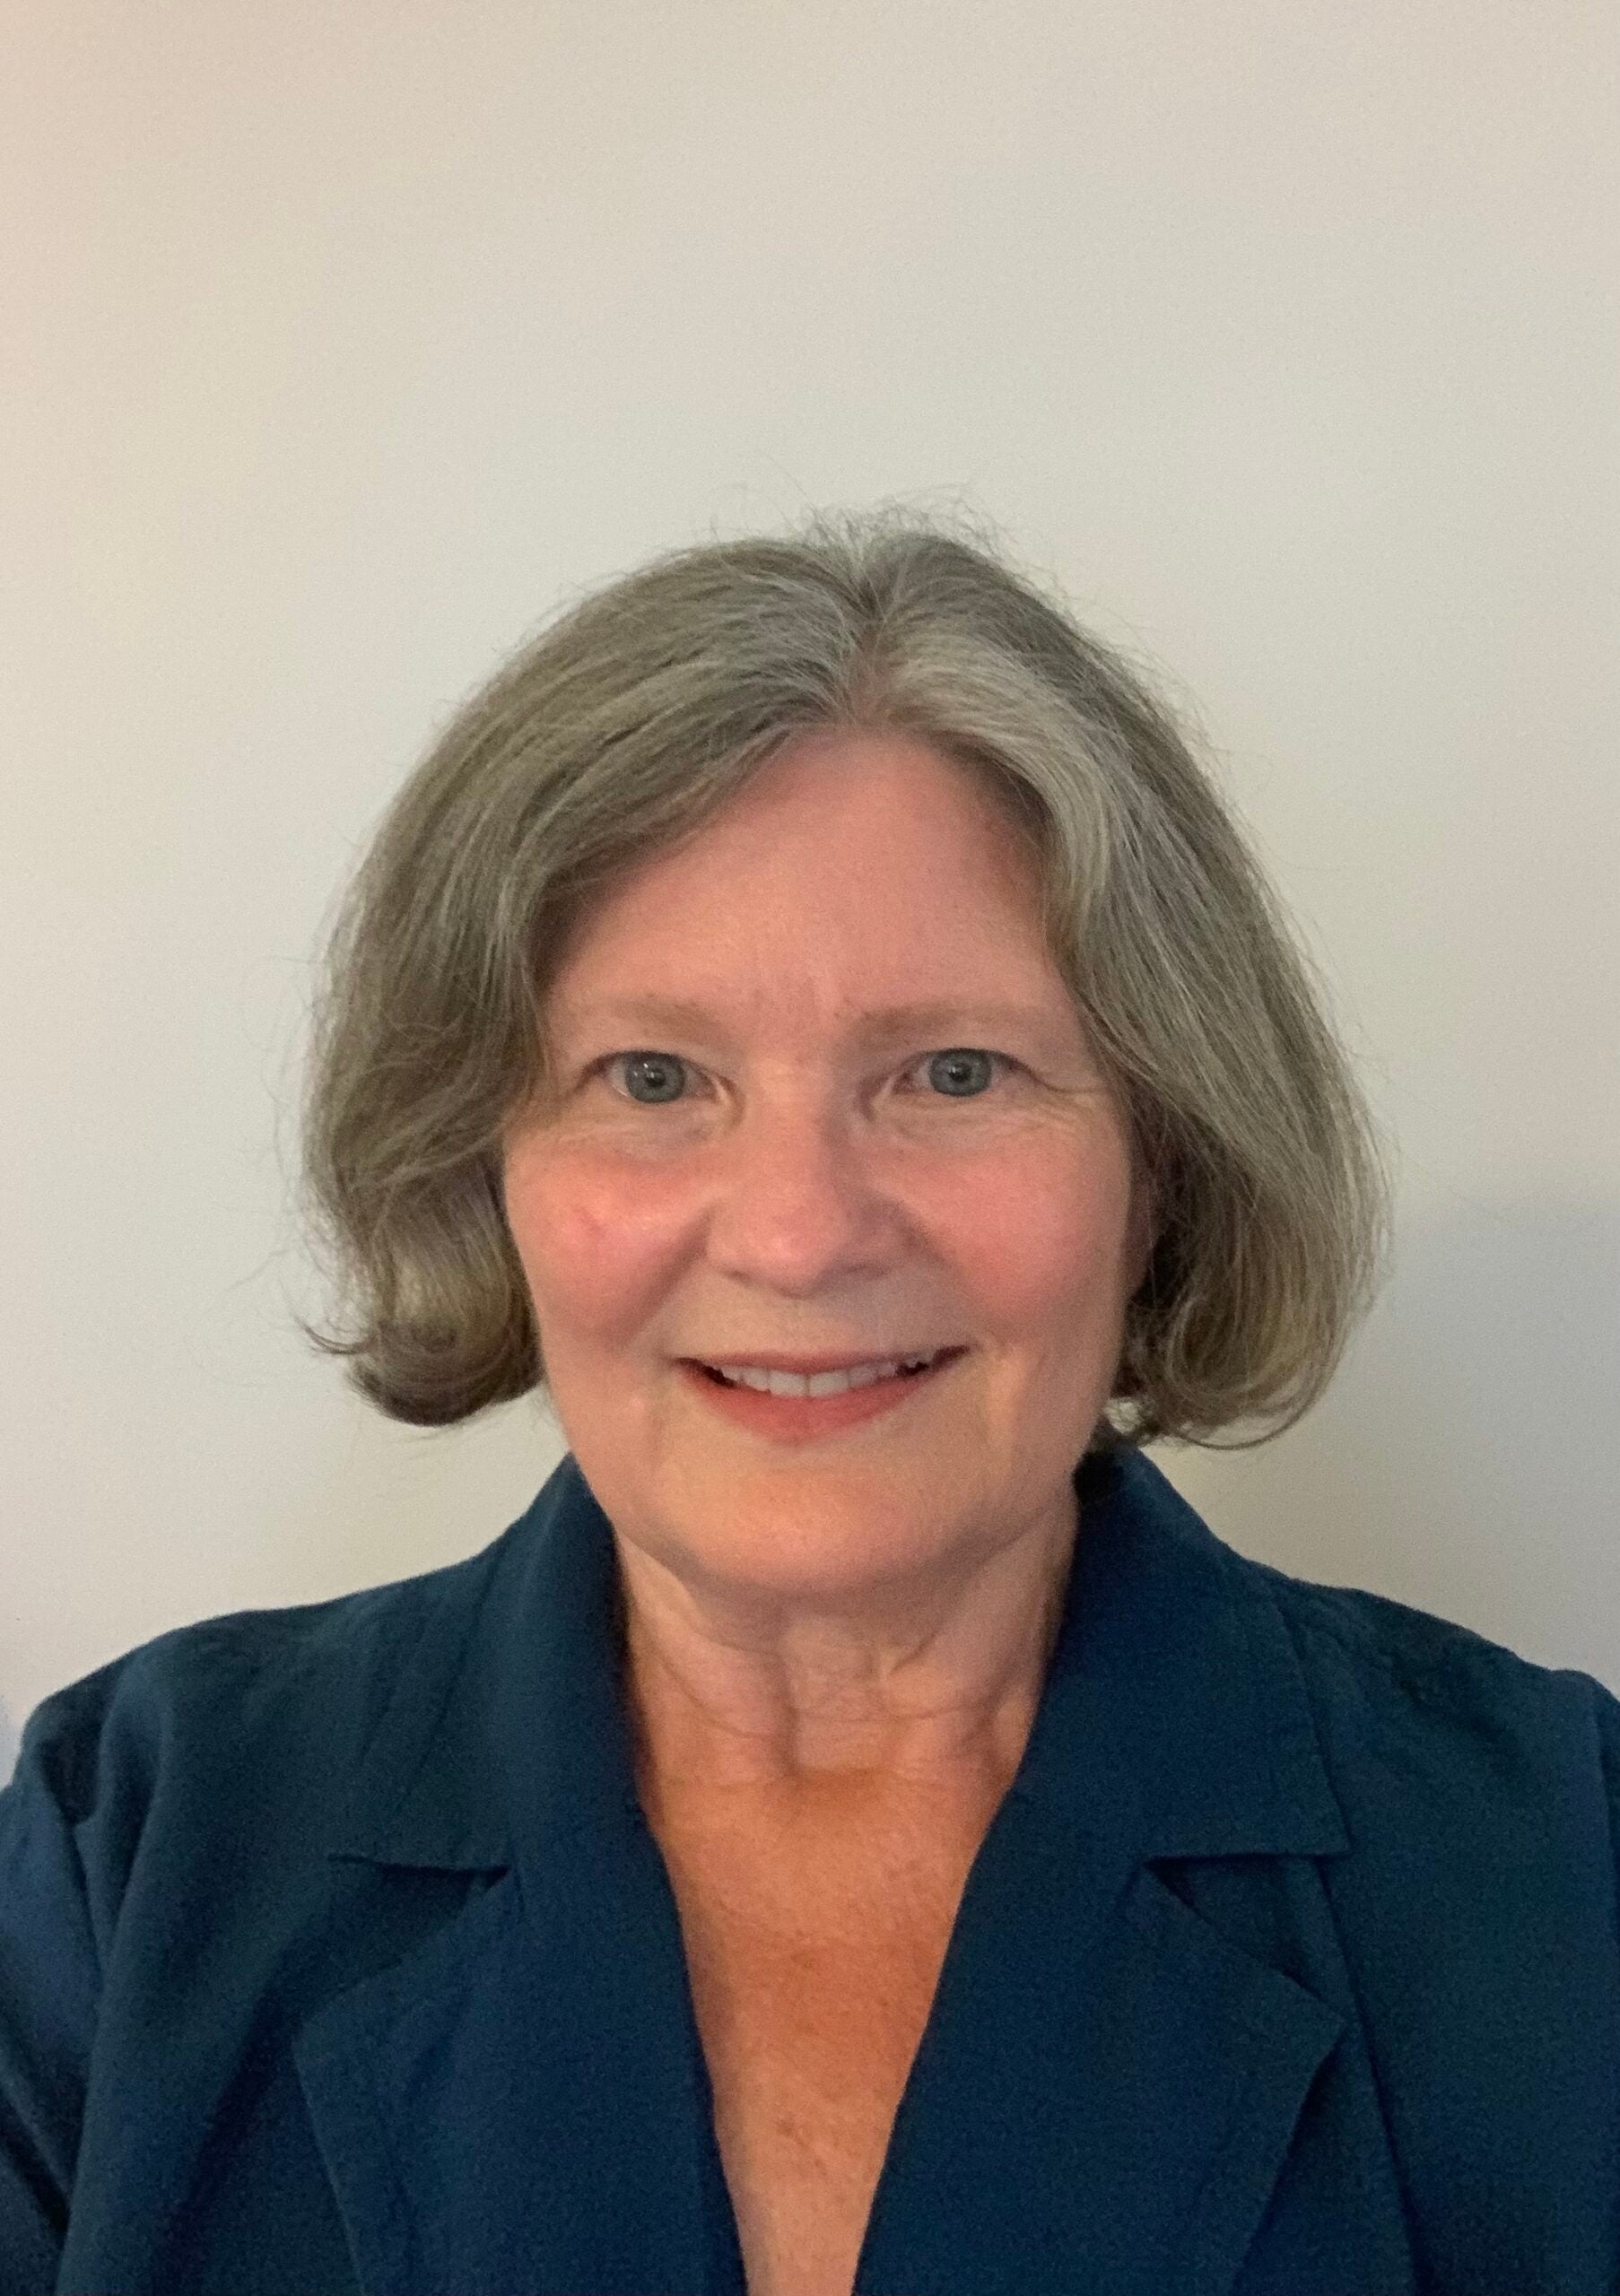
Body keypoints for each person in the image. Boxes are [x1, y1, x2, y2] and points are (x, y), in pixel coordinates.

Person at [1, 507, 1615, 2296]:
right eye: (652, 1076)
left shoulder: (1559, 1863)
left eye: (953, 1071)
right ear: (482, 1160)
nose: (796, 1231)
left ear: (1163, 1153)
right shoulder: (129, 1849)